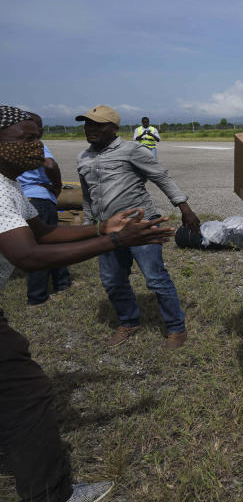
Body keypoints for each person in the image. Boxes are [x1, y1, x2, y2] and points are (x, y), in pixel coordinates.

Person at [0, 105, 174, 502]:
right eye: (26, 139)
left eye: (38, 136)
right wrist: (114, 241)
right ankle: (51, 495)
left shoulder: (9, 186)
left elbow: (42, 233)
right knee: (27, 396)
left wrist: (100, 228)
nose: (37, 146)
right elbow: (28, 256)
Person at [76, 105, 200, 349]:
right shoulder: (84, 157)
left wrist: (184, 208)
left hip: (141, 225)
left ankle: (176, 328)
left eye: (97, 124)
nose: (90, 129)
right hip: (108, 229)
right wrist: (90, 227)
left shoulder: (132, 150)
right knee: (112, 280)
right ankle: (129, 321)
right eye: (87, 124)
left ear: (113, 128)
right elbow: (87, 197)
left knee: (155, 278)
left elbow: (161, 176)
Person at [17, 112, 72, 305]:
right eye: (37, 125)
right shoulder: (34, 143)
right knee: (45, 245)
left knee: (47, 243)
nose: (40, 130)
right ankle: (37, 296)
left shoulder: (10, 145)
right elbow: (49, 163)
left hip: (21, 199)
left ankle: (62, 282)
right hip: (39, 199)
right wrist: (56, 186)